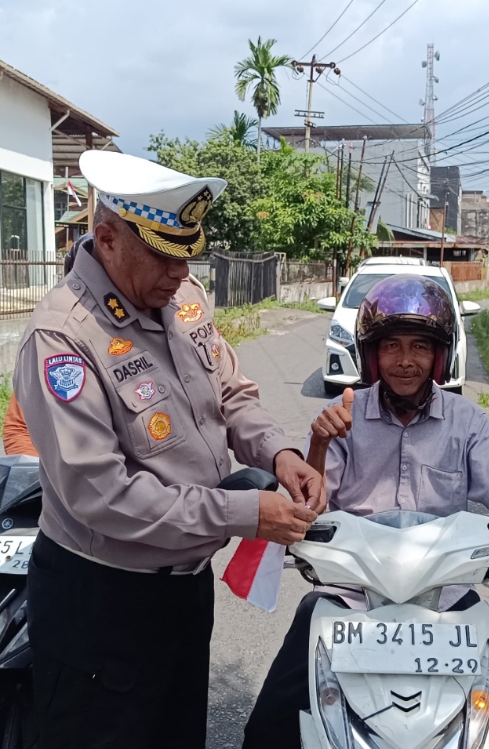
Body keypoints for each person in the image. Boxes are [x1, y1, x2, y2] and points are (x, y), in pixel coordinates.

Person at [15, 151, 323, 749]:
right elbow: (100, 495)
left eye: (188, 253)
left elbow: (230, 393)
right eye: (163, 253)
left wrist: (281, 452)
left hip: (183, 591)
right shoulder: (63, 336)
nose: (180, 272)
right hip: (104, 603)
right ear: (106, 238)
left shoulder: (183, 297)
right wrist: (244, 515)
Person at [242, 275, 489, 749]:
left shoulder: (467, 420)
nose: (405, 361)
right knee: (267, 730)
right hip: (350, 597)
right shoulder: (341, 415)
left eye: (420, 346)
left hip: (445, 599)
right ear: (372, 355)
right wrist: (317, 442)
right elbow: (310, 507)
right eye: (391, 346)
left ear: (440, 355)